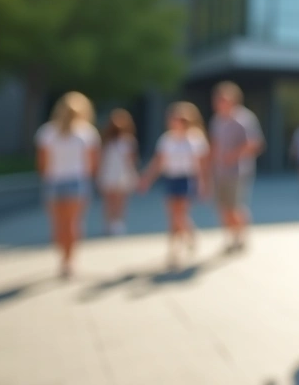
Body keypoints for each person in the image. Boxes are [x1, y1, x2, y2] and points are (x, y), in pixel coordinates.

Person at [35, 91, 100, 279]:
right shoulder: (87, 133)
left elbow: (42, 164)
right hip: (77, 181)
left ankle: (63, 258)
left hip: (54, 181)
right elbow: (92, 163)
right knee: (73, 223)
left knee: (58, 224)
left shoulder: (47, 132)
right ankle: (70, 260)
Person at [139, 101, 209, 268]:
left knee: (180, 213)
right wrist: (147, 179)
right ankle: (175, 246)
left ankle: (187, 236)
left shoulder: (195, 139)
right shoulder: (166, 139)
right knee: (173, 214)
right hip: (171, 178)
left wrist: (203, 184)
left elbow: (201, 165)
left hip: (187, 178)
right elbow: (158, 162)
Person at [209, 82, 263, 252]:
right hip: (220, 171)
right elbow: (214, 145)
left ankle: (241, 236)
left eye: (223, 99)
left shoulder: (245, 119)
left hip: (238, 171)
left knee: (235, 206)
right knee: (222, 206)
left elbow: (255, 144)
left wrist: (233, 156)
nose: (219, 102)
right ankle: (231, 236)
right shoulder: (216, 120)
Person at [97, 108, 139, 236]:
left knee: (120, 200)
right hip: (108, 172)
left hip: (122, 173)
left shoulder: (128, 140)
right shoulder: (105, 141)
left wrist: (133, 174)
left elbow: (131, 160)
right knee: (109, 200)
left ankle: (118, 222)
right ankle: (109, 222)